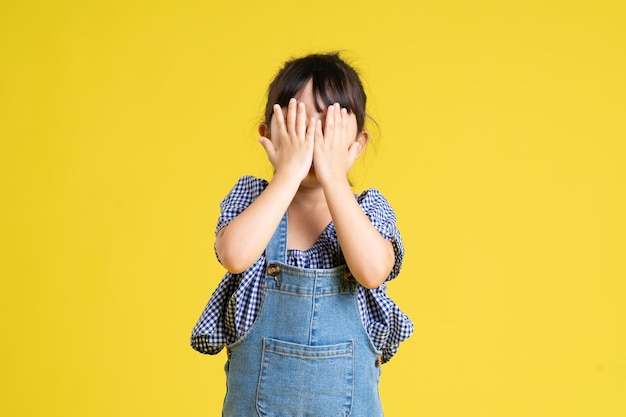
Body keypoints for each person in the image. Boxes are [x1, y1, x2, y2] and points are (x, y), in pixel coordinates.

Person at [191, 52, 413, 416]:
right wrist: (289, 173)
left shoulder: (368, 211)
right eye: (299, 127)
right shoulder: (251, 199)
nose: (313, 143)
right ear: (268, 135)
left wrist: (333, 177)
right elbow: (234, 255)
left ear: (356, 145)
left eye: (329, 130)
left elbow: (373, 271)